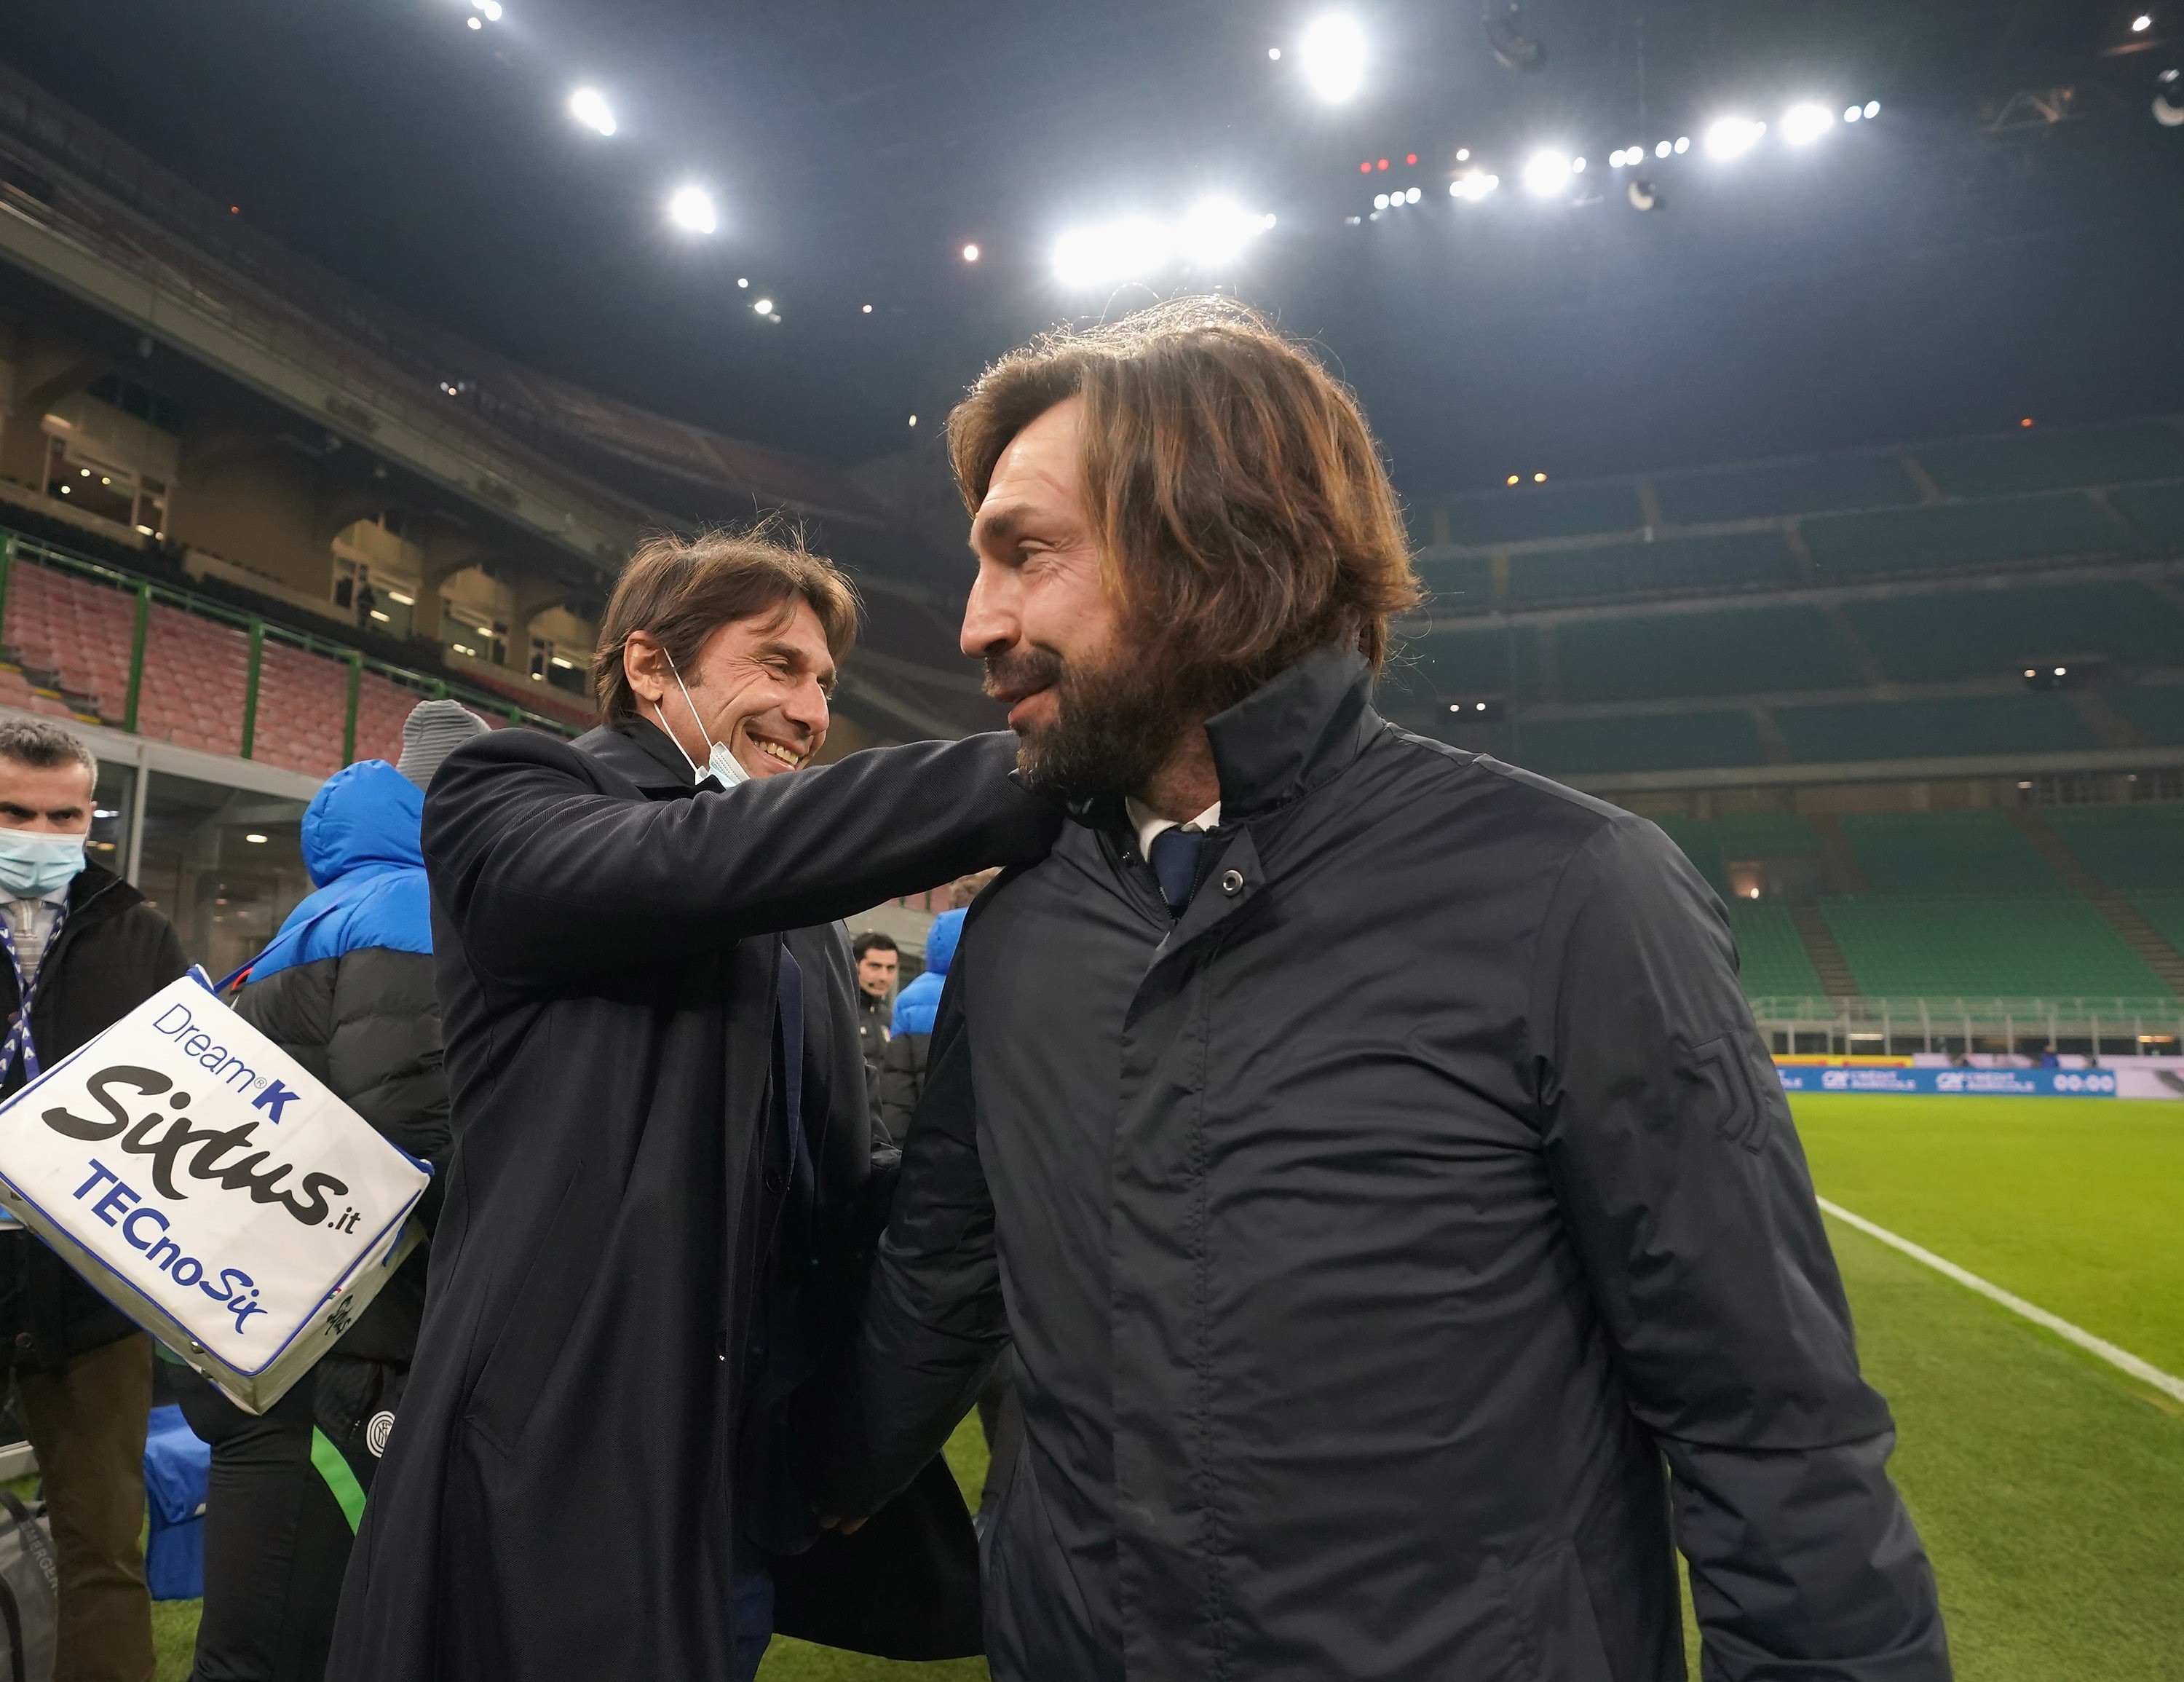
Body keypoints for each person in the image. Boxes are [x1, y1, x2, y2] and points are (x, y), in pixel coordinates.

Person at [804, 300, 1950, 1680]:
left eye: (1027, 554)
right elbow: (938, 1282)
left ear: (1216, 544)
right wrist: (765, 1507)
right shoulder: (1025, 925)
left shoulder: (1573, 893)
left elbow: (1769, 1432)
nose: (979, 620)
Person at [325, 530, 1060, 1682]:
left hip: (738, 1495)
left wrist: (853, 1434)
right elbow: (688, 862)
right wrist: (1045, 760)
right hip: (553, 1468)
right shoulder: (508, 791)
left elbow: (821, 1200)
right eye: (778, 665)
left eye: (826, 683)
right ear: (652, 664)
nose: (813, 710)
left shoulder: (805, 924)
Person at [169, 700, 485, 1682]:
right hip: (341, 1349)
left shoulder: (316, 919)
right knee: (289, 1646)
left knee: (264, 1639)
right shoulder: (408, 908)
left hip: (273, 1336)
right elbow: (416, 1135)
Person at [0, 718, 186, 1682]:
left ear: (90, 816)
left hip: (91, 1281)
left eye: (62, 814)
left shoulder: (140, 930)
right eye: (14, 812)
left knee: (106, 1546)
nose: (39, 832)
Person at [875, 909, 960, 1141]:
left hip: (927, 1147)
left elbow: (898, 1096)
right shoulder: (1005, 988)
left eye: (890, 968)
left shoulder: (908, 997)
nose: (883, 976)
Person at [850, 931, 898, 1072]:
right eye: (875, 966)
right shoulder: (841, 1013)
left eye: (890, 968)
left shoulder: (890, 1017)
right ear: (855, 965)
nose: (884, 976)